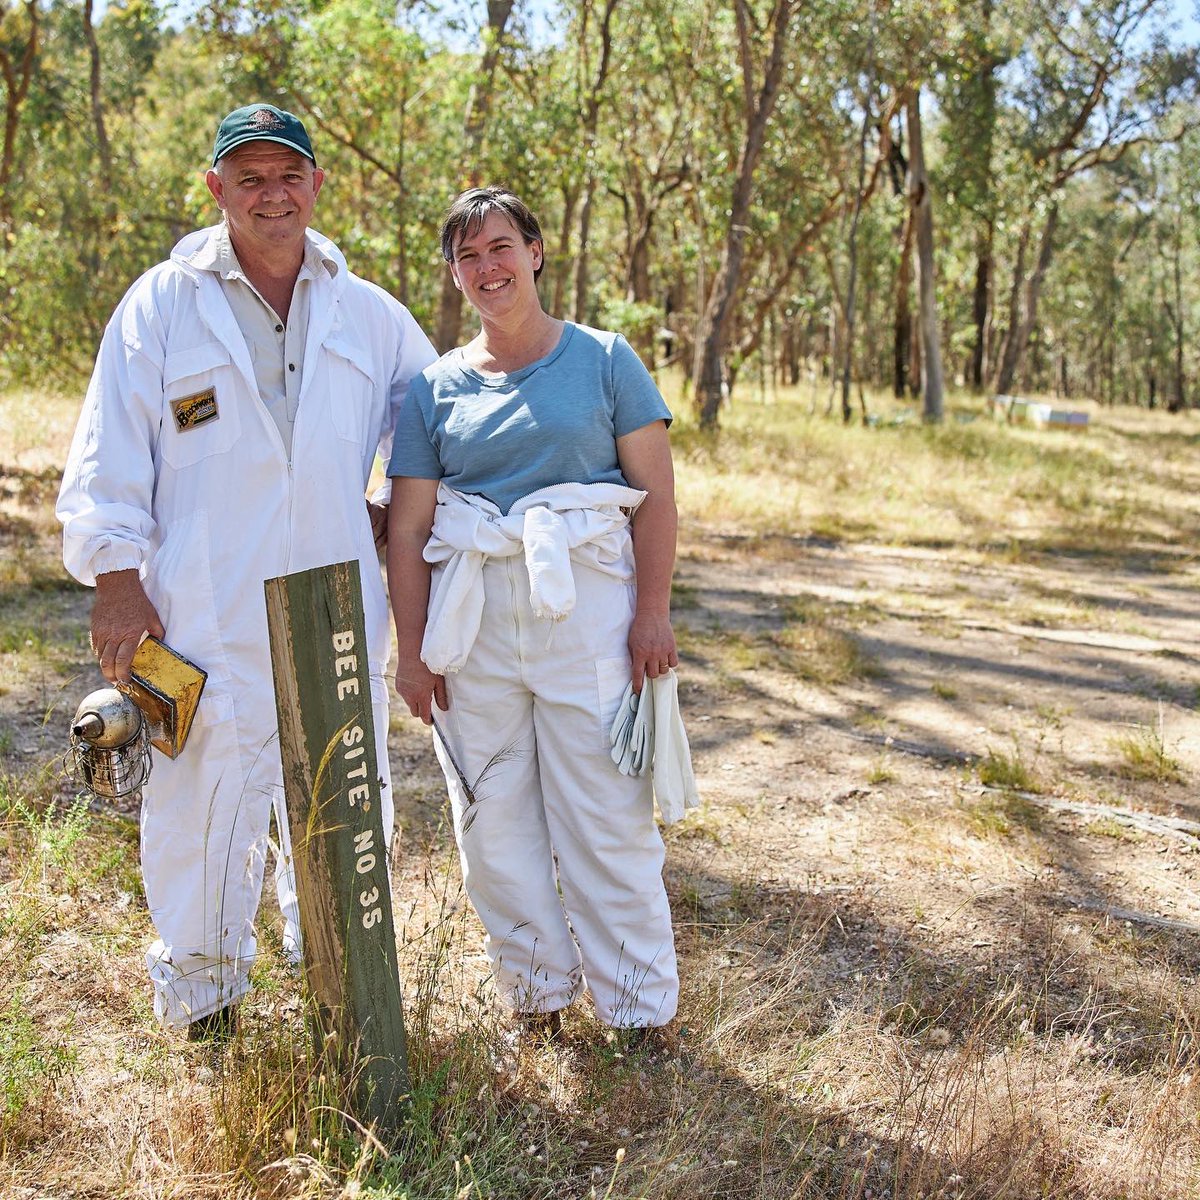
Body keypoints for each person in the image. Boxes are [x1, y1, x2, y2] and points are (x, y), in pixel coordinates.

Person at [57, 104, 436, 1035]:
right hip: (201, 605)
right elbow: (109, 451)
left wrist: (396, 508)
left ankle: (343, 990)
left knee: (346, 792)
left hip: (336, 605)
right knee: (203, 805)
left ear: (316, 185)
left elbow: (432, 428)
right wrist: (114, 578)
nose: (273, 195)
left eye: (289, 176)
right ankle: (206, 1005)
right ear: (216, 188)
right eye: (251, 178)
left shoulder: (367, 310)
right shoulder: (162, 304)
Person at [387, 186, 680, 1035]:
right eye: (468, 257)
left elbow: (655, 499)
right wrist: (415, 653)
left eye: (500, 247)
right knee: (491, 824)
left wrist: (651, 614)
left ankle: (638, 1013)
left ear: (536, 252)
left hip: (583, 606)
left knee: (606, 817)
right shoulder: (435, 388)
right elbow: (409, 531)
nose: (487, 268)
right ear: (454, 275)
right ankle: (538, 998)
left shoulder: (603, 359)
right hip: (473, 619)